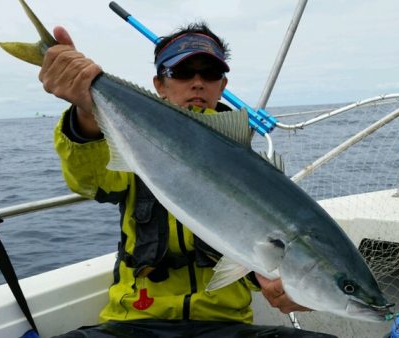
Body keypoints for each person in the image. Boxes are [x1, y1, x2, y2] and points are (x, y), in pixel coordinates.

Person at [41, 20, 337, 338]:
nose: (197, 83)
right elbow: (90, 182)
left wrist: (285, 284)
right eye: (183, 73)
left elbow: (257, 247)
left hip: (225, 325)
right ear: (159, 84)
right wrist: (86, 113)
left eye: (209, 73)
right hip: (135, 322)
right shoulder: (132, 143)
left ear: (222, 86)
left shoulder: (249, 163)